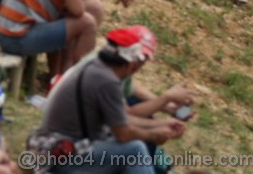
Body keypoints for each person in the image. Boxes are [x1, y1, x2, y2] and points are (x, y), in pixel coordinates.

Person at [29, 27, 185, 172]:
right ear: (131, 63)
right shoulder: (107, 81)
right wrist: (153, 134)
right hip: (59, 154)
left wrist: (161, 124)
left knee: (129, 146)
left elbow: (123, 119)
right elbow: (123, 133)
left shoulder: (98, 67)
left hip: (56, 146)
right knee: (135, 150)